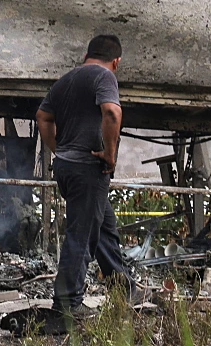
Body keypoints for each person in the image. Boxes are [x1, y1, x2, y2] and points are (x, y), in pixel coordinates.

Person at [36, 34, 141, 313]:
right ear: (116, 61)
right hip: (88, 168)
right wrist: (110, 154)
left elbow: (42, 117)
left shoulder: (65, 81)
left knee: (104, 226)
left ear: (87, 54)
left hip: (66, 167)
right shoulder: (104, 77)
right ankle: (67, 304)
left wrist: (60, 149)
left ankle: (123, 289)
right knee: (81, 235)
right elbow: (112, 114)